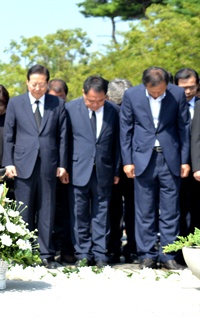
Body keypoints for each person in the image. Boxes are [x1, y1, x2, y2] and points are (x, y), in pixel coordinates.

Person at [120, 66, 190, 270]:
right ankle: (147, 255)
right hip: (143, 158)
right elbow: (126, 129)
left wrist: (184, 160)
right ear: (145, 86)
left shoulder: (177, 94)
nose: (158, 94)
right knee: (144, 210)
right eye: (154, 92)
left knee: (170, 210)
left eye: (161, 91)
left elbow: (184, 128)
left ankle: (168, 254)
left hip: (170, 158)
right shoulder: (131, 95)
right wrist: (127, 161)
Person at [3, 64, 69, 269]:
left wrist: (63, 164)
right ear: (27, 82)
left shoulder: (56, 104)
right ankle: (25, 252)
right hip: (23, 164)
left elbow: (63, 136)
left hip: (49, 163)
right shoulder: (16, 103)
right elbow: (8, 135)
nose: (37, 88)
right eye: (34, 84)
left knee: (47, 209)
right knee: (24, 210)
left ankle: (46, 254)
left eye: (41, 84)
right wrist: (9, 162)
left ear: (47, 83)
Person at [66, 76, 121, 268]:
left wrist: (116, 170)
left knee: (102, 214)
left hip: (104, 170)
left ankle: (100, 253)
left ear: (106, 96)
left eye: (99, 100)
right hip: (77, 169)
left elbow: (117, 144)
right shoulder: (70, 109)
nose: (95, 104)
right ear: (83, 94)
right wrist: (64, 167)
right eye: (91, 101)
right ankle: (82, 253)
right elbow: (65, 141)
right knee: (79, 213)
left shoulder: (114, 111)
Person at [106, 78, 137, 264]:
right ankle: (130, 248)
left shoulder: (110, 111)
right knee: (129, 210)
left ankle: (116, 247)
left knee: (115, 210)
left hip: (121, 168)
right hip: (127, 167)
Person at [48, 78, 76, 265]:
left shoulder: (72, 112)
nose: (58, 101)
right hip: (46, 169)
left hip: (69, 171)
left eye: (61, 97)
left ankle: (67, 249)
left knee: (67, 212)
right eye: (53, 97)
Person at [174, 68, 200, 237]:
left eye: (192, 86)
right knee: (177, 208)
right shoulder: (169, 105)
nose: (188, 91)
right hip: (176, 165)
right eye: (184, 87)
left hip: (198, 167)